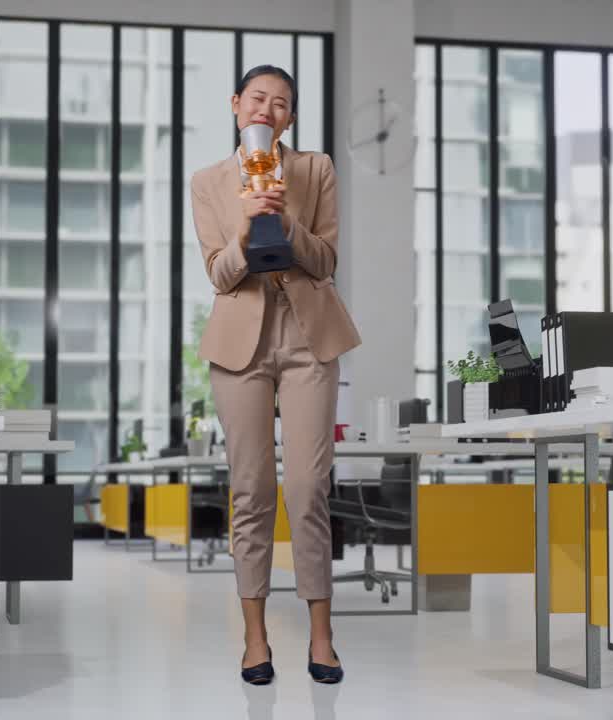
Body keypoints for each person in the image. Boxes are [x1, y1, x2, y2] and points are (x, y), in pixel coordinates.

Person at [189, 64, 361, 686]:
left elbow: (327, 259)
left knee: (310, 488)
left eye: (281, 103)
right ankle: (255, 637)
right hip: (240, 343)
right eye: (258, 98)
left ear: (290, 117)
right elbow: (219, 271)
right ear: (236, 104)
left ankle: (322, 636)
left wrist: (287, 221)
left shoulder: (314, 170)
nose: (268, 109)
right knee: (252, 491)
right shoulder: (207, 182)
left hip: (309, 337)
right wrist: (243, 226)